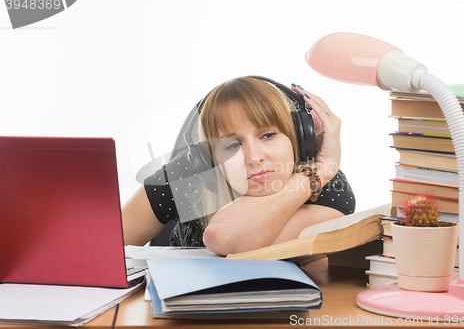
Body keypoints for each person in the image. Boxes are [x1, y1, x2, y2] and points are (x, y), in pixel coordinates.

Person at [122, 76, 355, 255]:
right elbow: (101, 250)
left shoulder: (328, 184)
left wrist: (317, 175)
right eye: (232, 145)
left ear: (298, 138)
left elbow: (227, 238)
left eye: (268, 135)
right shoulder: (189, 174)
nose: (254, 157)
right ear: (209, 160)